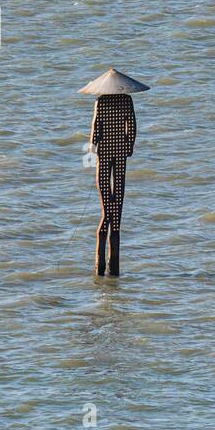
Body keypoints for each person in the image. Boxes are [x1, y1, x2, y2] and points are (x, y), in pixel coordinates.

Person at [80, 68, 150, 277]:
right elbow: (132, 126)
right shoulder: (127, 101)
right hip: (120, 151)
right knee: (117, 189)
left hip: (105, 152)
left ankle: (109, 218)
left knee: (105, 189)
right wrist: (129, 146)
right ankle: (113, 219)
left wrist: (94, 145)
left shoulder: (100, 102)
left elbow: (95, 129)